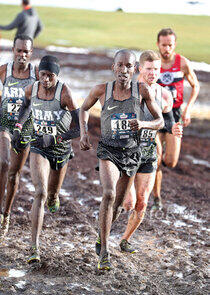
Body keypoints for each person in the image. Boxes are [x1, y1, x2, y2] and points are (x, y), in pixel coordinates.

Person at [79, 49, 164, 271]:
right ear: (113, 67)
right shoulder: (101, 90)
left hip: (131, 153)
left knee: (117, 206)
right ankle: (105, 252)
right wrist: (84, 133)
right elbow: (83, 109)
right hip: (108, 150)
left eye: (129, 66)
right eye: (120, 65)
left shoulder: (142, 90)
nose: (124, 70)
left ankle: (102, 234)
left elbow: (160, 120)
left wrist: (143, 124)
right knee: (109, 193)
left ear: (135, 69)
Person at [109, 50, 183, 253]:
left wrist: (175, 128)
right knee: (129, 202)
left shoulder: (164, 95)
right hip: (125, 152)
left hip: (148, 152)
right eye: (149, 69)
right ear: (140, 69)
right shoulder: (128, 90)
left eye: (157, 69)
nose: (153, 73)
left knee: (142, 203)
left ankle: (125, 240)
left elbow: (167, 122)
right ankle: (104, 231)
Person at [12, 55, 80, 263]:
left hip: (60, 149)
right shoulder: (32, 89)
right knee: (39, 192)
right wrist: (19, 125)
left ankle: (54, 196)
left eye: (50, 76)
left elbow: (79, 128)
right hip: (39, 146)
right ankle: (34, 247)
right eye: (43, 75)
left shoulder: (65, 93)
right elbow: (25, 107)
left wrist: (57, 137)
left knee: (51, 196)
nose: (46, 80)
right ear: (38, 73)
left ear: (56, 76)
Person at [152, 28, 200, 210]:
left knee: (171, 161)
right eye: (163, 45)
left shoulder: (183, 63)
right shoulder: (153, 63)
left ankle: (160, 161)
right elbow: (139, 85)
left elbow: (195, 86)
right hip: (155, 114)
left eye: (170, 45)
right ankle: (156, 197)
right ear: (158, 44)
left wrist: (188, 110)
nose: (166, 48)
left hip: (175, 114)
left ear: (175, 45)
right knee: (155, 160)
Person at [0, 35, 38, 239]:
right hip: (4, 124)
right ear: (13, 50)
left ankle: (6, 215)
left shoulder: (36, 74)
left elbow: (48, 95)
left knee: (14, 174)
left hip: (24, 129)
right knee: (3, 162)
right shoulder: (4, 70)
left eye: (26, 51)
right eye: (19, 50)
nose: (22, 55)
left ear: (31, 53)